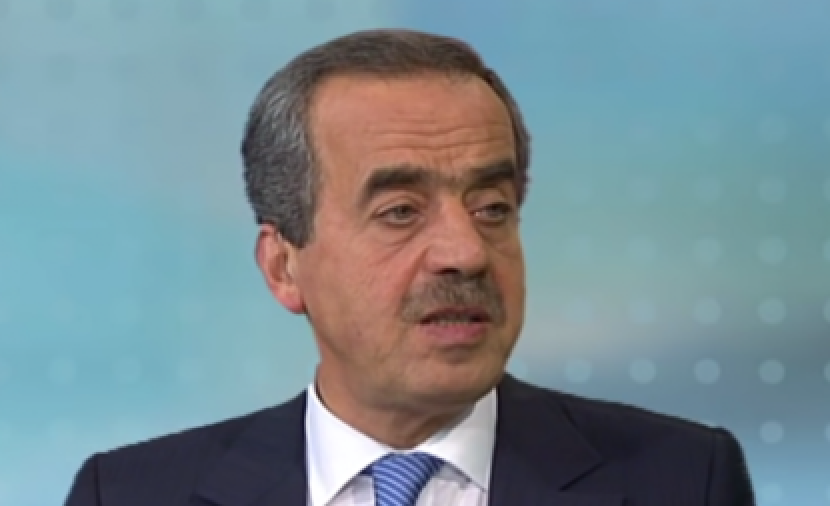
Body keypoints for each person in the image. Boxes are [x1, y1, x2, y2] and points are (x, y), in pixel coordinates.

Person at [64, 29, 755, 506]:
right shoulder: (128, 495)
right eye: (400, 212)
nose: (466, 252)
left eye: (492, 207)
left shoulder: (683, 480)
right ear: (283, 267)